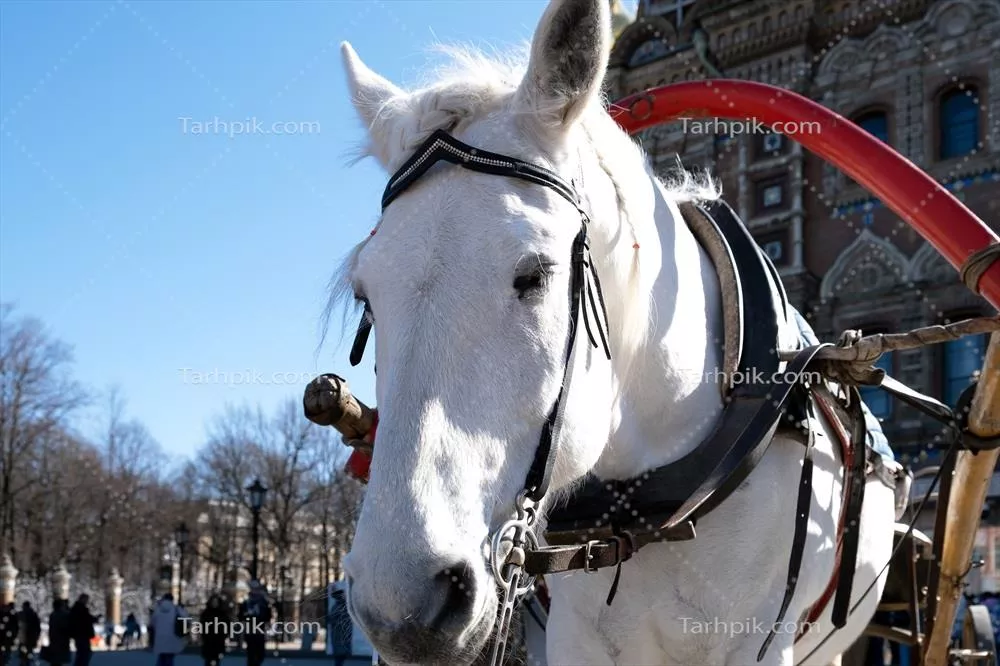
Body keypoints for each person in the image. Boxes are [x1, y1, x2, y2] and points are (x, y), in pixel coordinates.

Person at [149, 594, 187, 666]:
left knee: (162, 657)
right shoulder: (176, 609)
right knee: (169, 658)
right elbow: (186, 618)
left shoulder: (158, 609)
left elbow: (152, 623)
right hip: (172, 638)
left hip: (160, 638)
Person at [240, 582, 270, 666]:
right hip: (250, 630)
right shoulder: (246, 602)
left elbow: (267, 616)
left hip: (260, 630)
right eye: (253, 589)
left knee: (260, 654)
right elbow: (241, 616)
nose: (255, 591)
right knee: (251, 654)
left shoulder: (263, 602)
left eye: (257, 589)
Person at [198, 594, 229, 666]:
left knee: (216, 660)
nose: (215, 603)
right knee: (208, 660)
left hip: (219, 640)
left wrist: (224, 635)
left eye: (216, 602)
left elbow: (226, 626)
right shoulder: (206, 613)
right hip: (208, 640)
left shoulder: (222, 614)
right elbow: (201, 625)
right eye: (213, 602)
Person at [67, 596, 97, 666]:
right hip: (82, 634)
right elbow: (85, 619)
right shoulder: (80, 609)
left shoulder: (76, 608)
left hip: (80, 634)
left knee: (82, 653)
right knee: (84, 653)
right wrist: (93, 619)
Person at [42, 601, 70, 666]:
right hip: (61, 640)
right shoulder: (63, 615)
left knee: (55, 659)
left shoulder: (53, 615)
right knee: (58, 659)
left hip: (54, 639)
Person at [329, 589, 352, 666]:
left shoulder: (339, 606)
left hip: (340, 634)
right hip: (339, 634)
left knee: (340, 656)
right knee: (340, 656)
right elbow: (333, 620)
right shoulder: (340, 607)